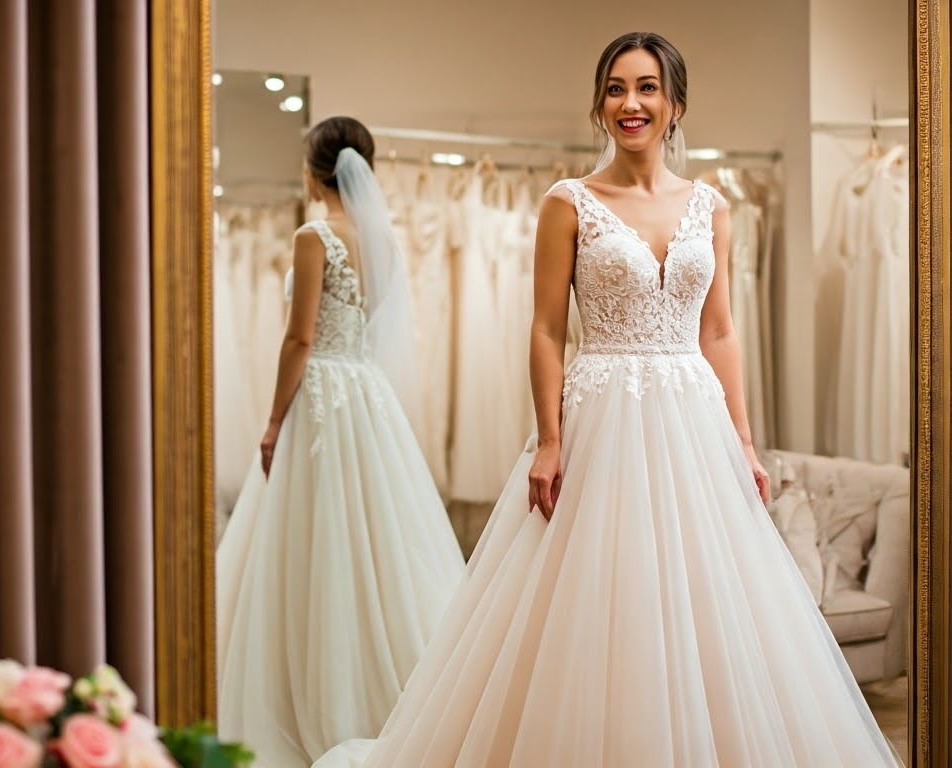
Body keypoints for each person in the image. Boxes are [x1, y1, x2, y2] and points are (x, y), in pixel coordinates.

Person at [313, 33, 901, 767]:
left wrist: (745, 441)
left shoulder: (711, 207)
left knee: (704, 601)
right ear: (599, 105)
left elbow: (720, 330)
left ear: (675, 105)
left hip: (692, 418)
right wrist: (550, 439)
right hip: (602, 419)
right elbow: (546, 329)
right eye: (618, 88)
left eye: (648, 88)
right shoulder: (569, 202)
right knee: (595, 596)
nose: (632, 103)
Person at [216, 116, 466, 768]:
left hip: (321, 395)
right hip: (365, 393)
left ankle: (314, 691)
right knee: (375, 543)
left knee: (312, 542)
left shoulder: (314, 234)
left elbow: (299, 339)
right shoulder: (380, 239)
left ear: (312, 168)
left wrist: (273, 421)